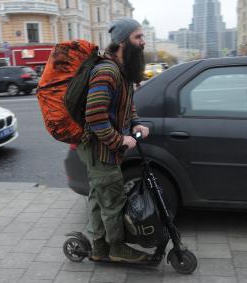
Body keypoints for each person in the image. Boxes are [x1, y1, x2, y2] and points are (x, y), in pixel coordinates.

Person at [76, 17, 150, 263]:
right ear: (122, 41)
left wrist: (136, 122)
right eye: (138, 37)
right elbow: (95, 115)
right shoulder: (107, 71)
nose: (143, 42)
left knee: (100, 197)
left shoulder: (122, 69)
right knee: (112, 201)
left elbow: (125, 106)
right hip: (101, 150)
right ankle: (117, 248)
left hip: (104, 148)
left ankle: (98, 248)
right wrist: (120, 141)